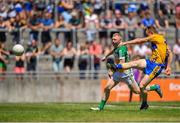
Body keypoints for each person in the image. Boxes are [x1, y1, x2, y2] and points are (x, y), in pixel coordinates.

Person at [90, 32, 162, 111]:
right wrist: (106, 56)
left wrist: (112, 70)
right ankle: (100, 108)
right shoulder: (117, 46)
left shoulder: (122, 49)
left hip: (126, 73)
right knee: (107, 88)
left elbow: (122, 65)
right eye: (112, 39)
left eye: (115, 39)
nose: (113, 41)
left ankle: (155, 87)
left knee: (137, 91)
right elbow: (113, 51)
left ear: (120, 39)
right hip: (118, 72)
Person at [111, 26, 173, 110]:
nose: (145, 34)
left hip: (156, 66)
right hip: (150, 62)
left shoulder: (155, 36)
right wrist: (168, 66)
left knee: (141, 86)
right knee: (135, 63)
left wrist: (126, 43)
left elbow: (140, 40)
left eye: (146, 32)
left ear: (150, 32)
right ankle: (116, 67)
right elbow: (170, 52)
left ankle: (146, 102)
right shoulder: (161, 39)